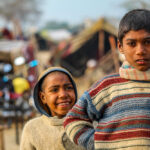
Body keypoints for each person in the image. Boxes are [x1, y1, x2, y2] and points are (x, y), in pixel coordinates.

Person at [64, 9, 150, 150]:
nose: (140, 50)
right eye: (132, 44)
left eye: (147, 42)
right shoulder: (107, 86)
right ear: (120, 47)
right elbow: (73, 119)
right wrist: (96, 143)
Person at [20, 67, 85, 150]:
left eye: (68, 88)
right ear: (43, 97)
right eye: (54, 90)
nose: (63, 94)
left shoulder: (89, 124)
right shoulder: (32, 129)